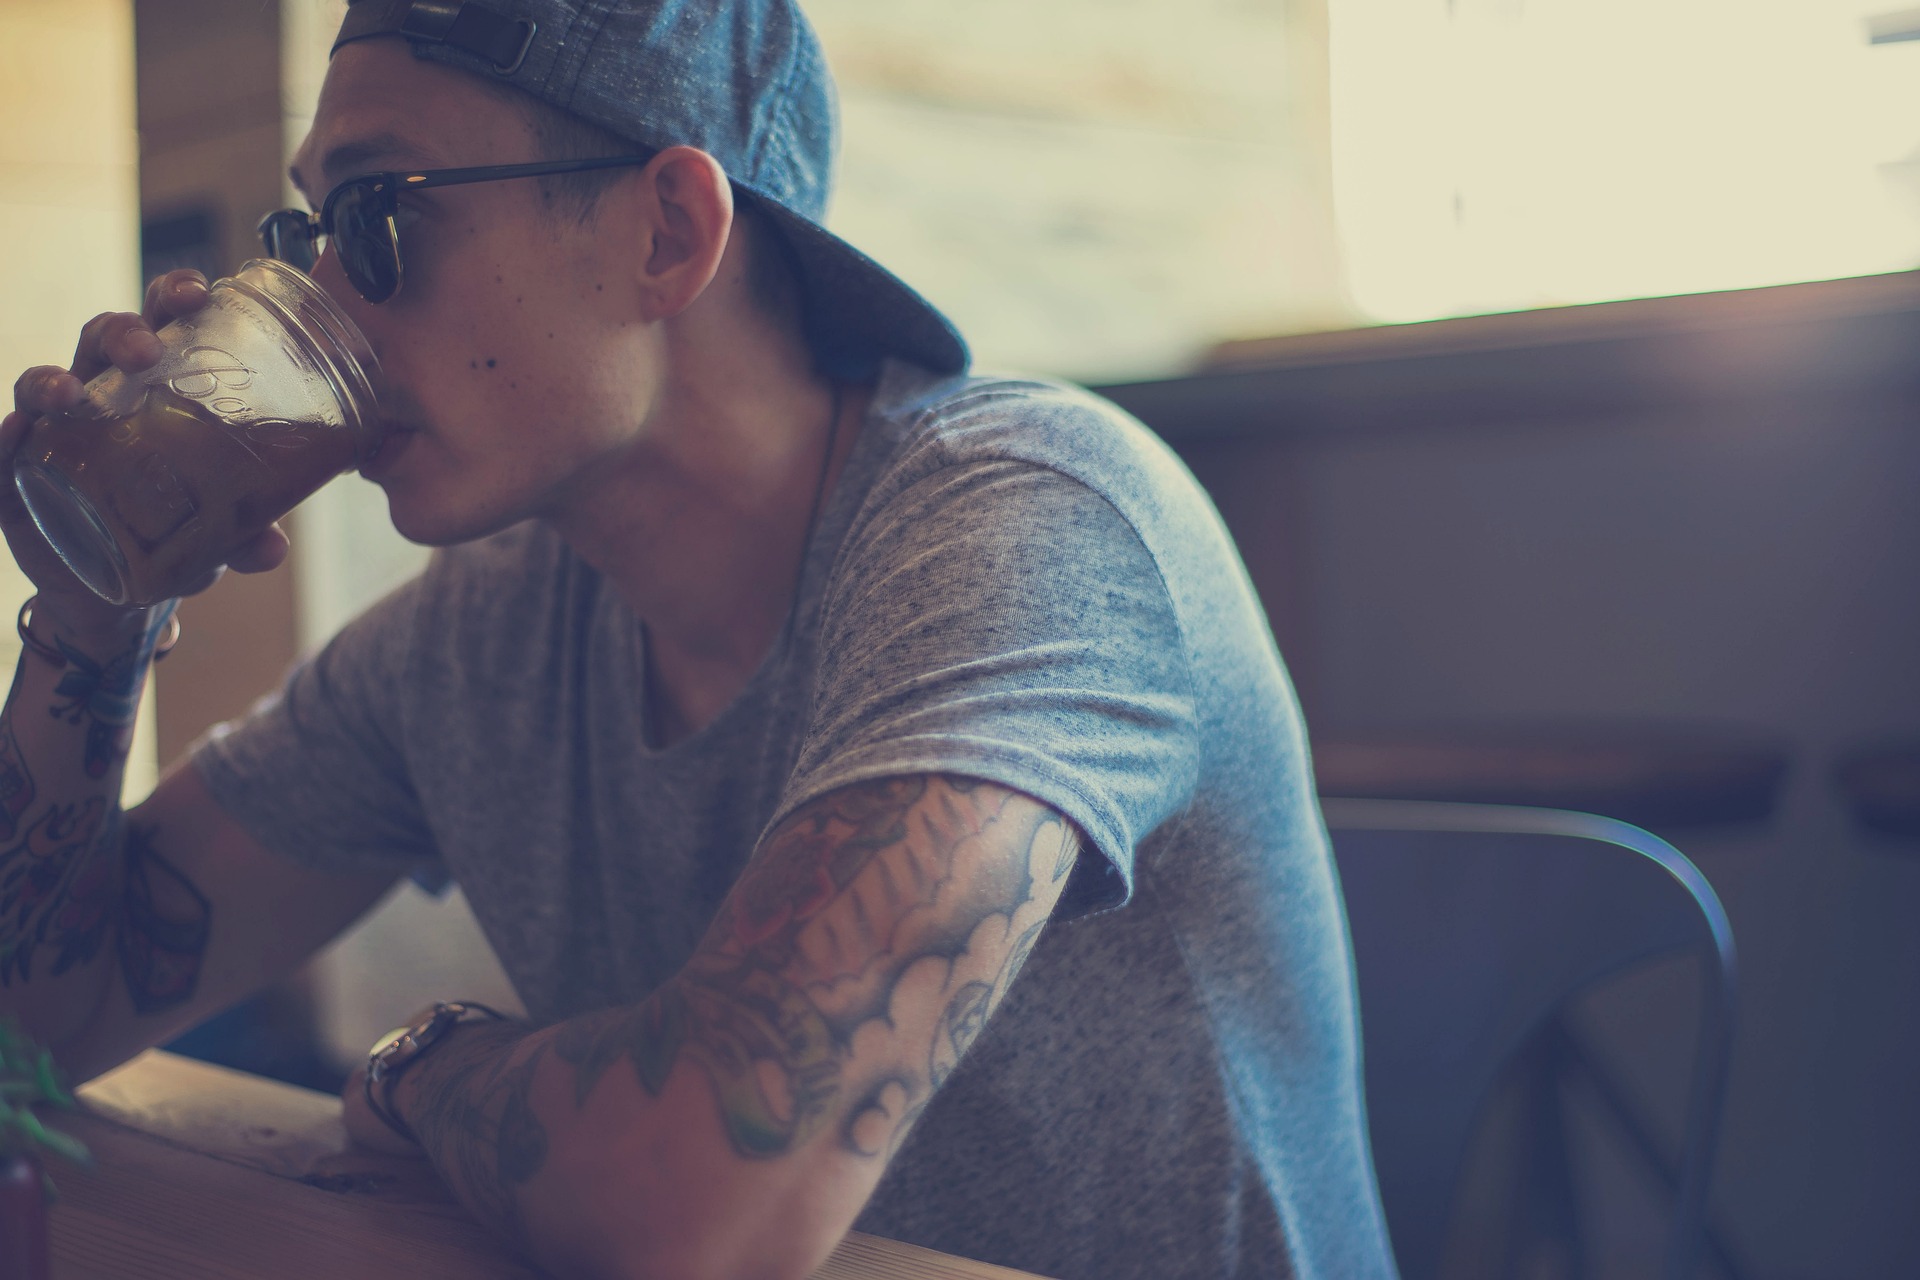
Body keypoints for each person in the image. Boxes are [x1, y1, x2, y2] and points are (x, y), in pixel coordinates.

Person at [0, 2, 1398, 1277]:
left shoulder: (1025, 519)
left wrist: (422, 1066)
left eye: (377, 214)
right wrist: (95, 607)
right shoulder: (476, 639)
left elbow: (693, 1205)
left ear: (667, 233)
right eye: (306, 235)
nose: (325, 305)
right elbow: (36, 1027)